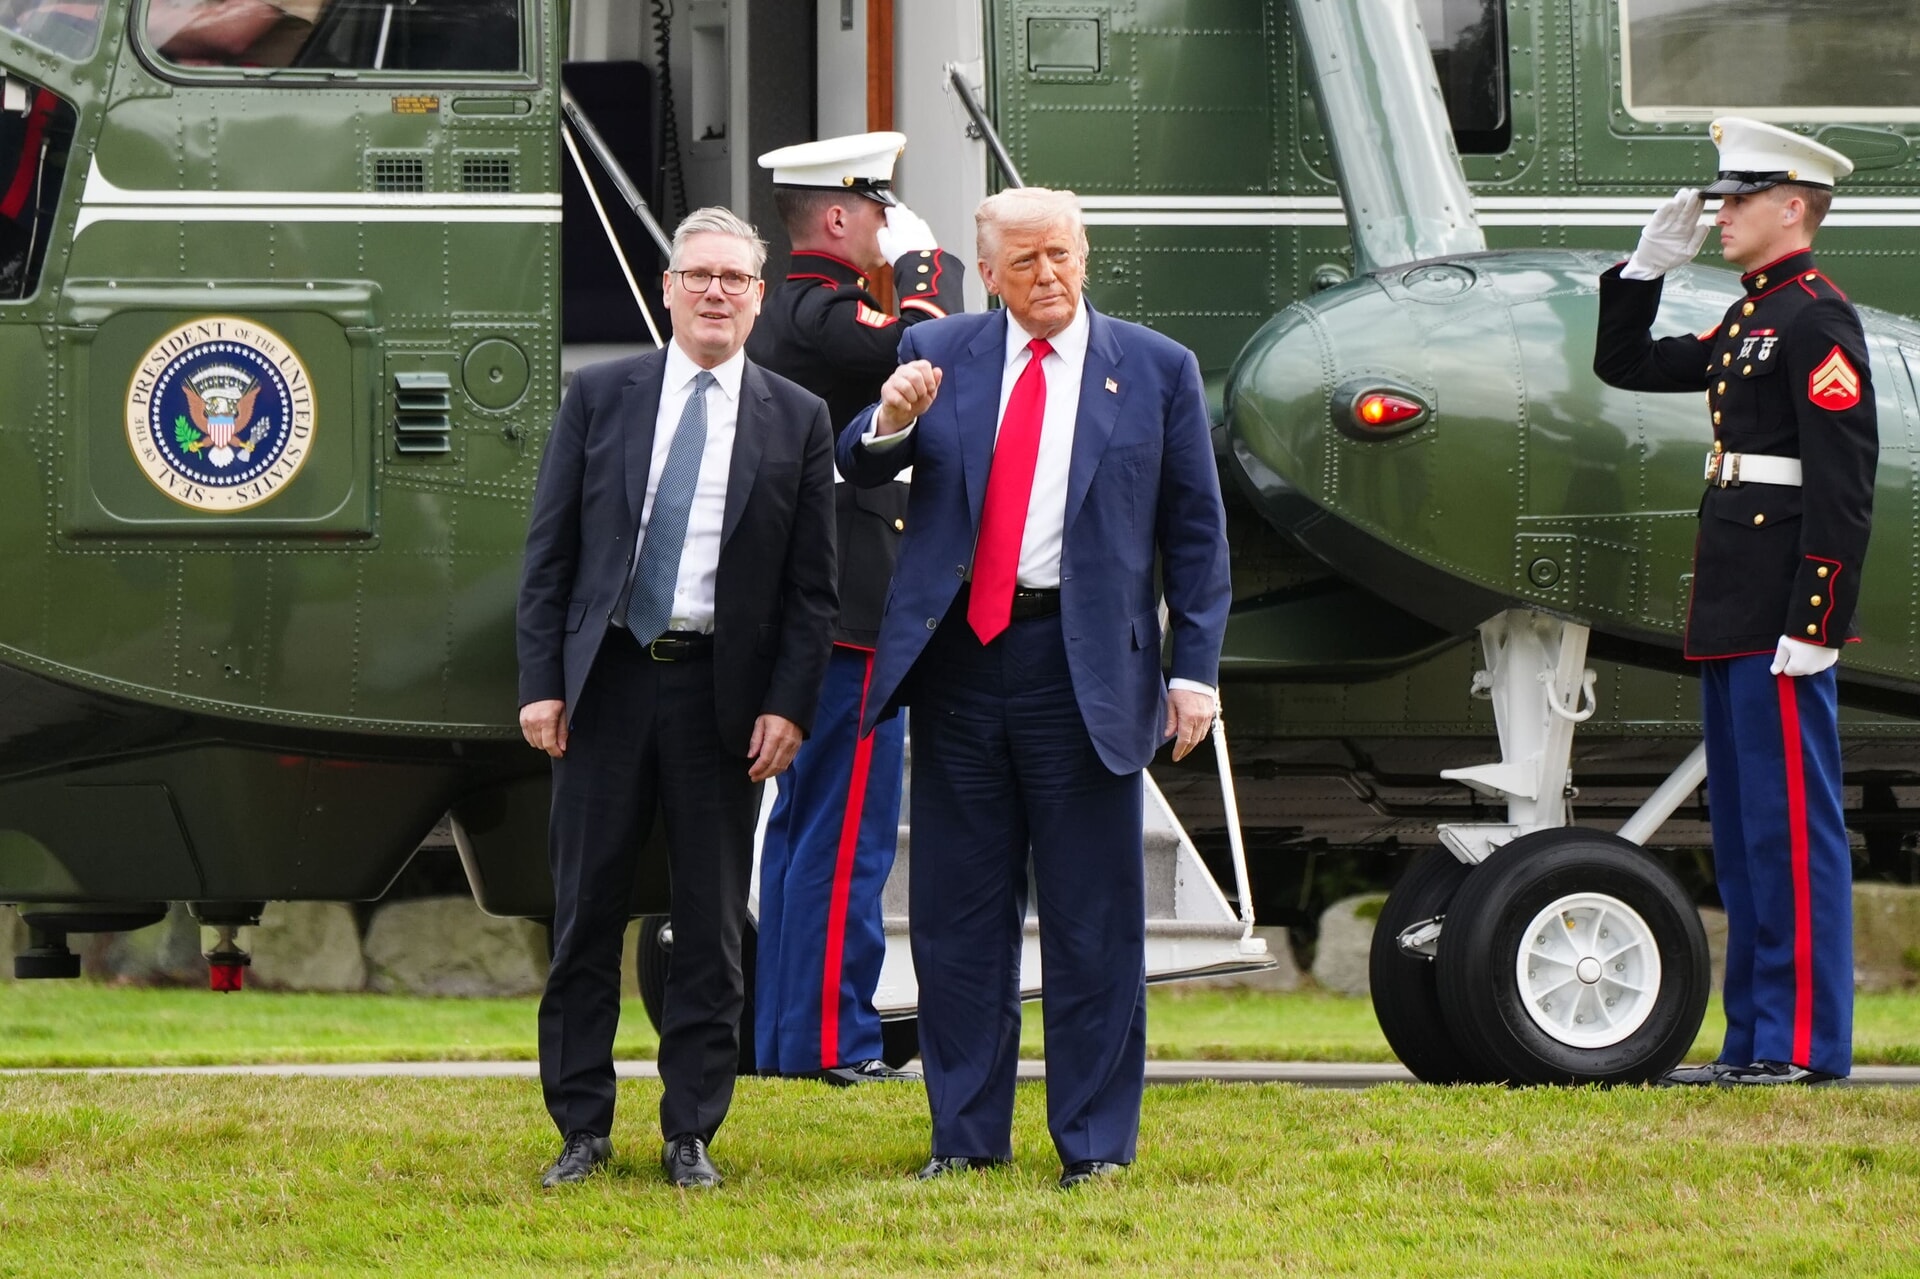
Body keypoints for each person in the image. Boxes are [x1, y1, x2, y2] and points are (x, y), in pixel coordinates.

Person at [838, 187, 1230, 1186]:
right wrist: (889, 417)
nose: (1045, 276)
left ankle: (1094, 1145)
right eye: (1023, 263)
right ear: (990, 271)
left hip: (1085, 667)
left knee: (1093, 919)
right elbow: (863, 465)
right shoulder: (946, 354)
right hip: (964, 662)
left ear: (1084, 253)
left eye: (1059, 255)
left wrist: (1195, 674)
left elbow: (1195, 536)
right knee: (958, 920)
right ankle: (965, 1138)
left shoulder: (1155, 369)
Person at [517, 207, 838, 1188]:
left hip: (722, 701)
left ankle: (690, 1128)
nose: (713, 293)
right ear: (666, 288)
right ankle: (581, 1126)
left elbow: (812, 590)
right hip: (607, 684)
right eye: (696, 275)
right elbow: (550, 555)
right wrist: (542, 685)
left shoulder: (799, 417)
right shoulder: (601, 396)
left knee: (709, 923)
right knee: (584, 917)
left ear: (758, 296)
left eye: (733, 279)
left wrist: (788, 705)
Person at [1593, 118, 1877, 1087]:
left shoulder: (1815, 319)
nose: (1721, 215)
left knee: (1793, 831)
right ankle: (1758, 1039)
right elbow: (1627, 366)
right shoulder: (1755, 317)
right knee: (1751, 835)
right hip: (1733, 606)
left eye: (1740, 199)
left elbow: (1843, 486)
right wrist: (1642, 271)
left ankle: (1802, 1044)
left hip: (1781, 617)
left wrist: (1817, 621)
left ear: (1792, 207)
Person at [743, 131, 966, 1085]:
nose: (886, 222)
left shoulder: (806, 312)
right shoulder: (815, 314)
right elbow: (925, 344)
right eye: (877, 207)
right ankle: (835, 1044)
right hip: (849, 607)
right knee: (843, 839)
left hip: (829, 606)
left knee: (807, 835)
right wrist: (928, 262)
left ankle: (792, 1042)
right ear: (838, 215)